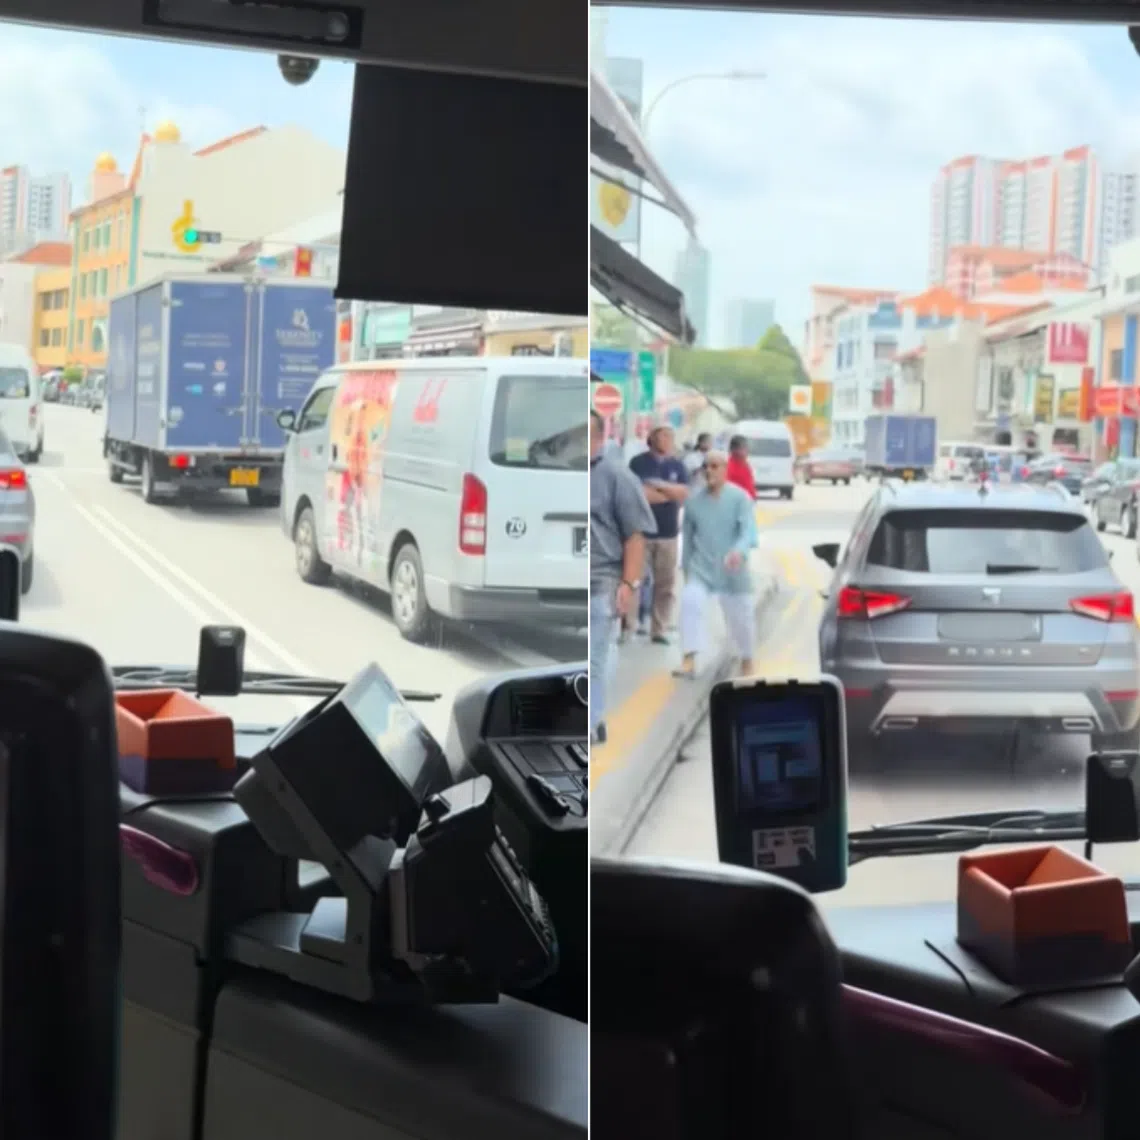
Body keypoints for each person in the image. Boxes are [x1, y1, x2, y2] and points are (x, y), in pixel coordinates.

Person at [589, 409, 656, 745]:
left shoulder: (617, 477)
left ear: (600, 439)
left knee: (596, 654)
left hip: (604, 578)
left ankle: (589, 723)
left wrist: (629, 584)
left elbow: (635, 536)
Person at [675, 449, 756, 679]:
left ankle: (747, 658)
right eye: (706, 467)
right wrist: (687, 571)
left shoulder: (740, 498)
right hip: (702, 568)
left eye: (714, 466)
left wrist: (738, 553)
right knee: (691, 602)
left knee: (743, 617)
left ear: (725, 469)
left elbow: (746, 533)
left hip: (733, 571)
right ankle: (689, 658)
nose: (709, 471)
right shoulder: (693, 502)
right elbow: (688, 541)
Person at [627, 423, 689, 643]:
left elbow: (683, 494)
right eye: (663, 435)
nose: (668, 439)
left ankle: (659, 628)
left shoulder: (678, 465)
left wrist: (659, 487)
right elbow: (640, 495)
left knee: (666, 584)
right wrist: (668, 492)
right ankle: (630, 627)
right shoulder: (638, 463)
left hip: (668, 533)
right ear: (652, 438)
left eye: (671, 436)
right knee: (635, 581)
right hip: (641, 532)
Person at [726, 434, 757, 500]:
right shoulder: (729, 466)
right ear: (733, 449)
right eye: (743, 448)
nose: (747, 451)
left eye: (747, 447)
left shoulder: (745, 464)